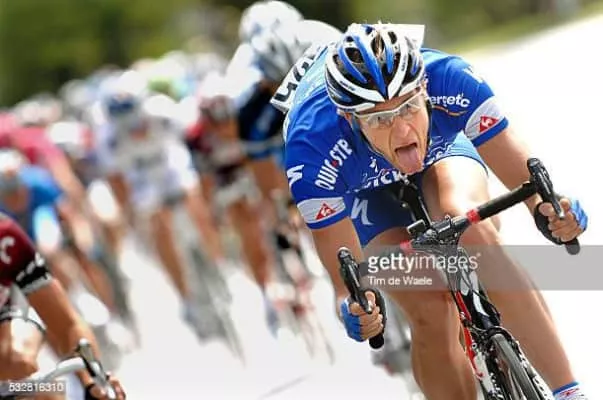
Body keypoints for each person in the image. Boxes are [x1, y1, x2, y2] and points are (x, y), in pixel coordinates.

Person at [276, 22, 589, 400]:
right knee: (430, 306)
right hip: (359, 188)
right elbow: (348, 280)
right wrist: (358, 306)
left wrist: (552, 210)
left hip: (439, 149)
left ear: (424, 87)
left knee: (470, 229)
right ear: (349, 118)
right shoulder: (311, 147)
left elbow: (528, 183)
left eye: (408, 106)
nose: (402, 131)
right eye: (378, 118)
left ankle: (569, 393)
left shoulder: (450, 79)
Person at [0, 211, 126, 399]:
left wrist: (92, 382)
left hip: (8, 338)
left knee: (24, 370)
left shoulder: (6, 237)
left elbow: (68, 324)